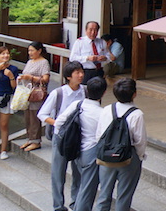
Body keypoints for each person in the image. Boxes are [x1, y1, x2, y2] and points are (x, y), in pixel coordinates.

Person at [39, 61, 87, 211]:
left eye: (81, 72)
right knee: (58, 173)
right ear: (68, 76)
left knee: (78, 172)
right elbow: (42, 114)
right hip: (61, 137)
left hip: (79, 136)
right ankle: (58, 206)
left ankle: (76, 203)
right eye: (77, 73)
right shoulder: (59, 93)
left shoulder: (85, 91)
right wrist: (58, 124)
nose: (81, 75)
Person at [55, 76, 106, 211]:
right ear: (104, 93)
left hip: (76, 149)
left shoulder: (77, 104)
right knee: (87, 189)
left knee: (80, 184)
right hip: (91, 152)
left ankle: (76, 205)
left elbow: (59, 122)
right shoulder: (102, 113)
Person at [94, 78, 146, 211]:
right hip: (128, 157)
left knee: (104, 194)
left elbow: (99, 134)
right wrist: (139, 157)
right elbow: (139, 141)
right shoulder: (137, 114)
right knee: (124, 196)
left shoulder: (106, 109)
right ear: (134, 94)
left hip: (106, 156)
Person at [18, 41, 51, 151]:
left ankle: (36, 141)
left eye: (32, 50)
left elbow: (45, 79)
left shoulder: (44, 62)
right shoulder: (29, 62)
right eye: (29, 50)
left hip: (36, 92)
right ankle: (30, 138)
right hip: (27, 92)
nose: (30, 53)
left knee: (34, 116)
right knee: (27, 116)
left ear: (39, 50)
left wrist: (31, 77)